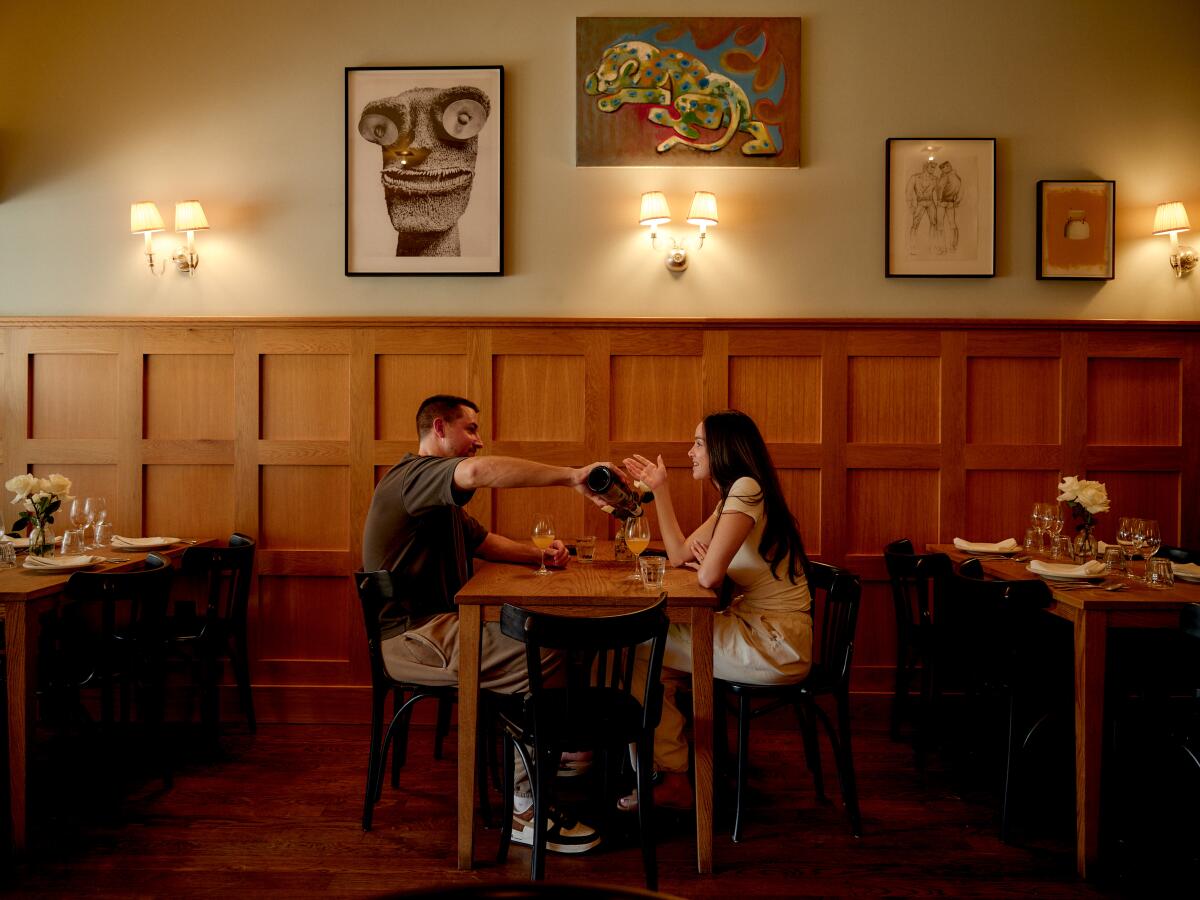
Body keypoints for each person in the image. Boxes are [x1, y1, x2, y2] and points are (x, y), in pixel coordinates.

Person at [362, 393, 607, 853]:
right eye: (470, 429)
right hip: (412, 637)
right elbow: (477, 471)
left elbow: (484, 541)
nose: (477, 441)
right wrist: (572, 476)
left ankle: (555, 751)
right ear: (439, 428)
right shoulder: (414, 477)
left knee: (564, 641)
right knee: (545, 649)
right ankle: (525, 810)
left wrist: (540, 554)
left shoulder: (437, 499)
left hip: (438, 627)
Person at [621, 409, 813, 811]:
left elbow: (707, 577)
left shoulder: (746, 489)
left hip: (774, 642)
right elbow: (678, 555)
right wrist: (661, 490)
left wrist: (710, 564)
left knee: (640, 650)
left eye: (698, 444)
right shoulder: (734, 495)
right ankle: (666, 770)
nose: (691, 452)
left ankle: (670, 777)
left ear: (723, 448)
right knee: (653, 658)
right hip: (755, 627)